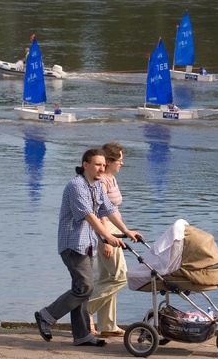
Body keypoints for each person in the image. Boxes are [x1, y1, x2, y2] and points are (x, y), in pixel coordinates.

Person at [34, 148, 142, 347]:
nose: (101, 168)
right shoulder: (77, 186)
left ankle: (82, 335)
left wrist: (127, 231)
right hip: (73, 244)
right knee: (85, 287)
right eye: (97, 164)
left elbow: (109, 210)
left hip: (88, 244)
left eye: (103, 165)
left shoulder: (97, 186)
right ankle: (46, 315)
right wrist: (108, 236)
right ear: (86, 165)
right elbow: (88, 216)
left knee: (81, 288)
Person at [88, 142, 128, 338]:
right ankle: (86, 308)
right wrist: (106, 240)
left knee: (107, 278)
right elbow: (100, 211)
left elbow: (114, 209)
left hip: (113, 228)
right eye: (119, 160)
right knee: (120, 276)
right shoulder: (102, 180)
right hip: (106, 231)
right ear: (110, 160)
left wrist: (126, 230)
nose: (122, 163)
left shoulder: (111, 178)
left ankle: (107, 325)